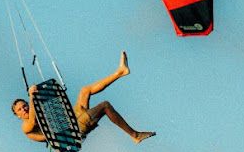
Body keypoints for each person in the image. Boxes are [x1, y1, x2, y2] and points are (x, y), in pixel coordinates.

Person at [12, 51, 154, 146]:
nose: (24, 108)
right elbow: (35, 124)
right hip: (72, 133)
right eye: (20, 109)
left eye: (24, 105)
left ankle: (120, 72)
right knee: (105, 105)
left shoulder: (37, 110)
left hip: (72, 119)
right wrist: (32, 97)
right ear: (18, 115)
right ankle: (135, 135)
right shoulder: (26, 127)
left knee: (84, 91)